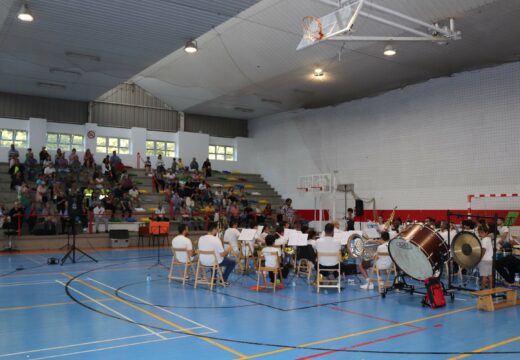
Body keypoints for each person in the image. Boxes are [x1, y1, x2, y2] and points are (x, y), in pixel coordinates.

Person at [478, 224, 493, 290]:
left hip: (484, 260)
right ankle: (491, 289)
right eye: (479, 232)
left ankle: (482, 289)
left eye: (481, 232)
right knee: (490, 275)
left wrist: (480, 258)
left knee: (484, 276)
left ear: (486, 233)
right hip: (490, 259)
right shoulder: (489, 239)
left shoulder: (484, 240)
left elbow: (483, 250)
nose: (480, 234)